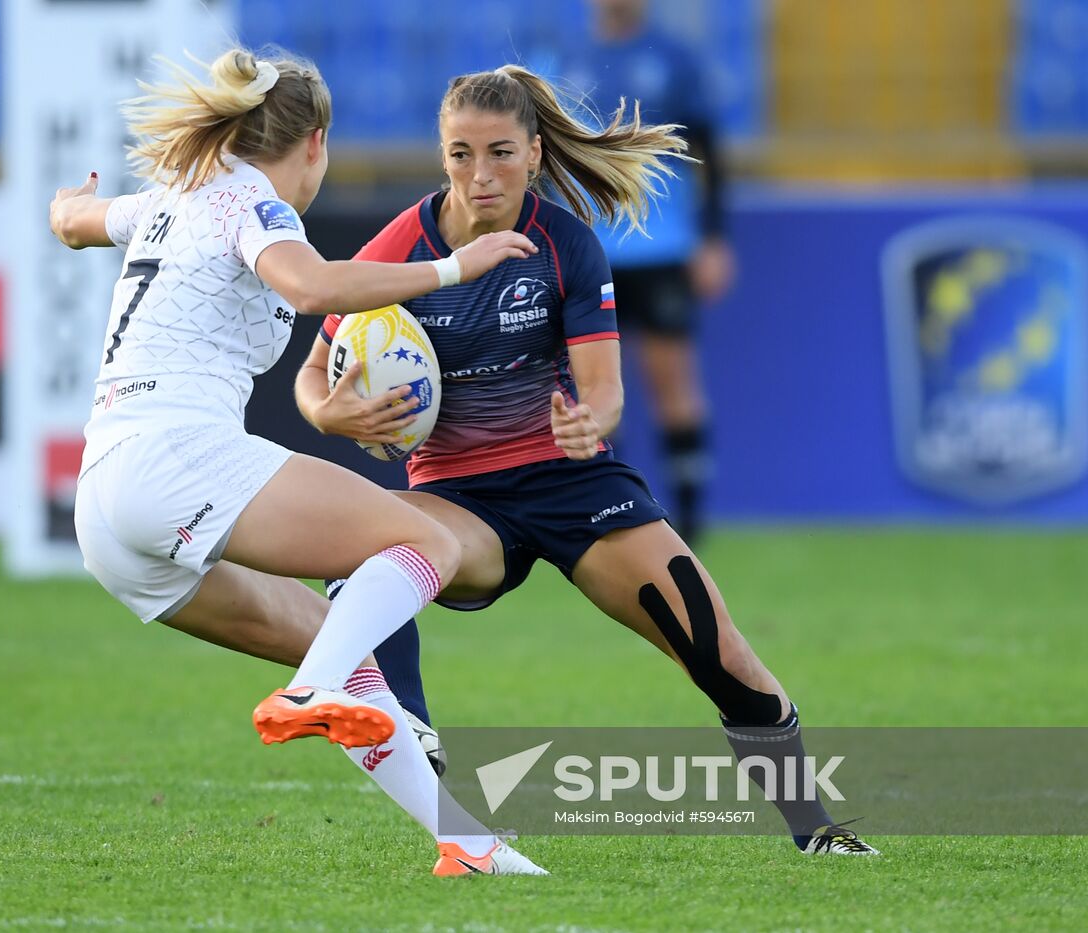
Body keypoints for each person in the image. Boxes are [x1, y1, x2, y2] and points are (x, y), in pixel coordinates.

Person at [297, 64, 877, 856]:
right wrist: (329, 410)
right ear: (441, 155)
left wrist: (585, 424)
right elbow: (314, 369)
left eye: (499, 152)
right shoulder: (405, 245)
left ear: (534, 154)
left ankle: (816, 831)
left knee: (713, 644)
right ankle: (412, 729)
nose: (479, 174)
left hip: (575, 483)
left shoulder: (564, 243)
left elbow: (604, 395)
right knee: (367, 546)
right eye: (460, 154)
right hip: (460, 501)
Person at [50, 47, 547, 875]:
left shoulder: (172, 197)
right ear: (314, 141)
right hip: (179, 454)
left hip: (103, 498)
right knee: (433, 547)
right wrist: (455, 265)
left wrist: (73, 207)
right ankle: (312, 689)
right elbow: (309, 286)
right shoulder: (254, 200)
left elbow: (73, 224)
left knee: (349, 649)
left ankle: (469, 845)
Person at [547, 0, 736, 547]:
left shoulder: (674, 59)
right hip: (586, 250)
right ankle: (615, 507)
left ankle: (692, 524)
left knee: (671, 378)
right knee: (594, 383)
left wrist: (714, 238)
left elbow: (710, 154)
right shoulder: (559, 59)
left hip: (662, 246)